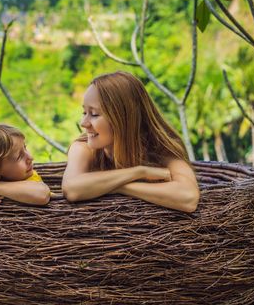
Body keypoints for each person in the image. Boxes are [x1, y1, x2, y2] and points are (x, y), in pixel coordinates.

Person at [62, 71, 199, 212]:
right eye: (84, 113)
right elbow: (71, 189)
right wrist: (140, 172)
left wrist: (118, 186)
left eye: (94, 114)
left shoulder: (160, 148)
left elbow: (188, 198)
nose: (83, 123)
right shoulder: (83, 148)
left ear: (123, 118)